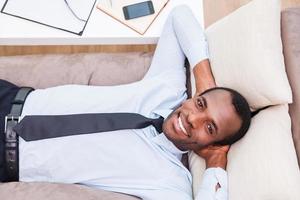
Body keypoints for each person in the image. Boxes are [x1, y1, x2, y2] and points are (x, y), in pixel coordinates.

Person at [0, 5, 251, 200]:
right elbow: (179, 16)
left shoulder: (169, 182)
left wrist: (216, 164)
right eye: (200, 105)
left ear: (214, 144)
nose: (192, 119)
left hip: (5, 158)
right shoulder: (167, 87)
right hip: (10, 98)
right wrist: (205, 82)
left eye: (210, 128)